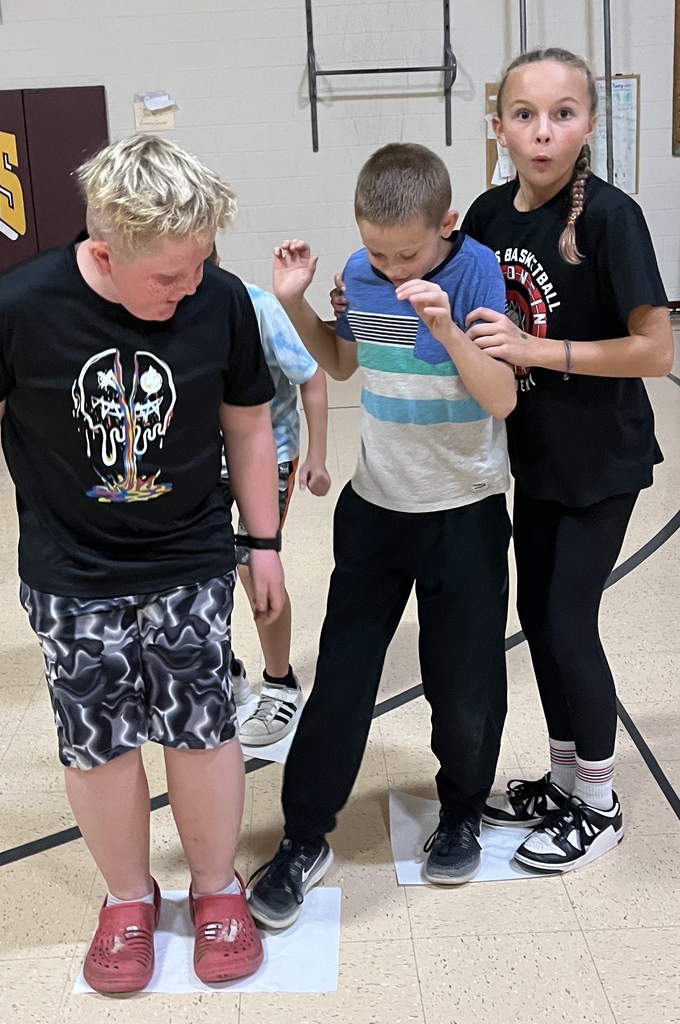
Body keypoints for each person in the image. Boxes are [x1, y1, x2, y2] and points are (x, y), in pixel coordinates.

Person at [0, 134, 286, 993]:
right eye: (167, 277)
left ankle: (216, 889)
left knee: (202, 729)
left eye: (199, 265)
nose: (188, 287)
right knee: (95, 743)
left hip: (190, 557)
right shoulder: (15, 306)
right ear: (101, 252)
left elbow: (246, 426)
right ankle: (127, 898)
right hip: (70, 570)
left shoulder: (224, 302)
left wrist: (264, 545)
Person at [247, 142, 516, 927]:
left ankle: (461, 811)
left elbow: (500, 398)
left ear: (447, 224)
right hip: (375, 506)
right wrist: (298, 302)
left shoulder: (476, 272)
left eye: (408, 253)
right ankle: (303, 838)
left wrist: (448, 326)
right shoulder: (364, 277)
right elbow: (337, 363)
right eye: (376, 251)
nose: (393, 269)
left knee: (463, 683)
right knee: (341, 681)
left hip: (462, 508)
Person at [461, 48, 673, 872]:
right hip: (534, 456)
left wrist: (536, 351)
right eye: (523, 114)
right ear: (499, 125)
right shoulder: (485, 214)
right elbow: (458, 301)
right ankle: (560, 780)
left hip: (601, 459)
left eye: (560, 114)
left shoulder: (609, 218)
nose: (541, 131)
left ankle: (600, 802)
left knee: (564, 621)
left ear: (588, 124)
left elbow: (654, 351)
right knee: (538, 620)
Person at [209, 245, 332, 746]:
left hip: (269, 454)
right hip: (203, 462)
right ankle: (225, 671)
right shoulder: (165, 312)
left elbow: (313, 376)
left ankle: (280, 683)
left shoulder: (257, 307)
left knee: (251, 565)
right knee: (200, 570)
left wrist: (318, 457)